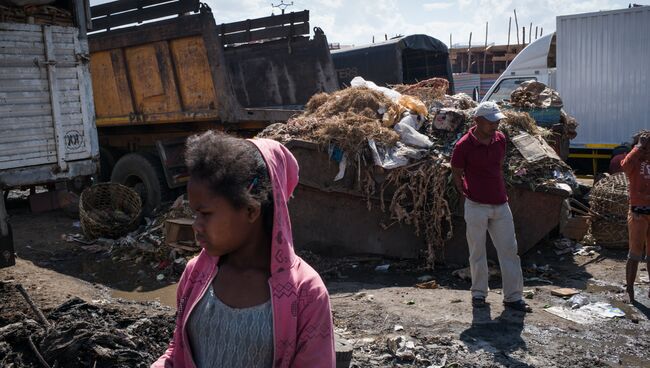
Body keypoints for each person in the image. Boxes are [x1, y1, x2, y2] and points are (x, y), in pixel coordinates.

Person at [152, 131, 335, 368]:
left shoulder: (306, 292)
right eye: (194, 212)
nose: (196, 225)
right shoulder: (196, 275)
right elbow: (178, 351)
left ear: (251, 210)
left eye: (205, 213)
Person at [450, 101, 531, 313]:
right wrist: (467, 192)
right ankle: (479, 294)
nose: (496, 125)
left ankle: (513, 298)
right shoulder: (463, 146)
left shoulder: (500, 140)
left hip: (501, 205)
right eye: (492, 121)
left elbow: (498, 166)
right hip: (476, 206)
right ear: (478, 121)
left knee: (509, 251)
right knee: (477, 252)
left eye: (497, 121)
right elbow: (456, 173)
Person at [621, 130, 650, 304]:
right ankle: (629, 289)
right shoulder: (634, 160)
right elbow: (624, 166)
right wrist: (639, 147)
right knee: (634, 254)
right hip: (638, 213)